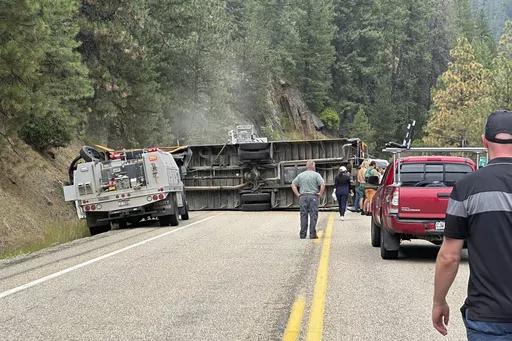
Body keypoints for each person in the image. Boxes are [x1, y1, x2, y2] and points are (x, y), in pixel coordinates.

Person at [432, 110, 512, 340]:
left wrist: (439, 301)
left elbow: (449, 258)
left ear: (484, 141)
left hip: (488, 317)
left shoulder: (467, 187)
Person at [291, 160, 325, 239]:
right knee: (313, 215)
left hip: (303, 197)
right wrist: (320, 193)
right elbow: (322, 184)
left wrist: (298, 194)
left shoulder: (301, 175)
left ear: (306, 166)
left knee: (303, 215)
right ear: (313, 166)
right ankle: (312, 234)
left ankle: (303, 234)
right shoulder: (316, 175)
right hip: (313, 197)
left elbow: (293, 184)